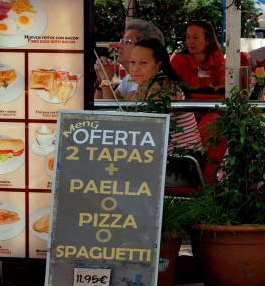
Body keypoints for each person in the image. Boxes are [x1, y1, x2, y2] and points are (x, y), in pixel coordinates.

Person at [127, 38, 202, 186]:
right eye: (132, 62)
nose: (135, 68)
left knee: (114, 175)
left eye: (143, 63)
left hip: (180, 166)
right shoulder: (141, 88)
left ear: (158, 66)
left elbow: (144, 134)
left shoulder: (164, 89)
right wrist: (104, 81)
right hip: (160, 162)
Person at [95, 19, 165, 99]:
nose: (119, 46)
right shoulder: (130, 77)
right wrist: (100, 82)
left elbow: (113, 110)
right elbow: (100, 106)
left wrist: (106, 80)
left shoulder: (146, 79)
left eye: (126, 41)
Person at [170, 20, 225, 89]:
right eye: (188, 37)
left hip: (212, 99)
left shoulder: (217, 57)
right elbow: (167, 87)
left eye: (195, 37)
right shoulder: (179, 59)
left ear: (207, 40)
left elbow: (225, 88)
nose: (191, 42)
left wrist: (211, 89)